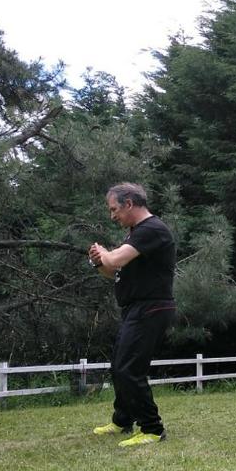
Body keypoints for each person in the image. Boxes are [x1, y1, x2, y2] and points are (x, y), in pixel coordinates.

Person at [88, 183, 177, 447]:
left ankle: (152, 428)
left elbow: (114, 260)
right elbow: (114, 271)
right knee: (119, 366)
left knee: (129, 368)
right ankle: (122, 420)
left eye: (114, 209)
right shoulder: (136, 234)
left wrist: (106, 254)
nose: (112, 215)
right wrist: (97, 260)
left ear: (129, 203)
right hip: (135, 308)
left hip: (151, 307)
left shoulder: (152, 229)